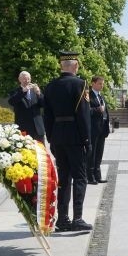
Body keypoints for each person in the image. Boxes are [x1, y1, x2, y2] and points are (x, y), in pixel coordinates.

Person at [43, 51, 93, 232]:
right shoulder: (80, 84)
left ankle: (62, 219)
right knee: (80, 177)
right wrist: (87, 139)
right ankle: (77, 218)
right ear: (75, 66)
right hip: (75, 137)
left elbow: (46, 116)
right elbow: (83, 115)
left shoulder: (50, 86)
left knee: (63, 178)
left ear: (61, 66)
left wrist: (51, 138)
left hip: (57, 137)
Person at [7, 71, 45, 142]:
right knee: (26, 152)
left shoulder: (35, 90)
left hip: (38, 128)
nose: (27, 81)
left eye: (28, 79)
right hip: (24, 128)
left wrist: (39, 93)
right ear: (19, 79)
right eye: (24, 79)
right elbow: (11, 102)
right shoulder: (15, 91)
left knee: (41, 151)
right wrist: (23, 92)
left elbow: (44, 104)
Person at [87, 76, 110, 185]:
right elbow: (86, 111)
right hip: (93, 130)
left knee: (99, 154)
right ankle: (90, 177)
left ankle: (98, 175)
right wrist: (97, 109)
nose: (102, 85)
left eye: (102, 83)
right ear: (93, 84)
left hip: (102, 129)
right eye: (100, 83)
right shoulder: (88, 96)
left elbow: (105, 112)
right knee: (92, 154)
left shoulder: (101, 96)